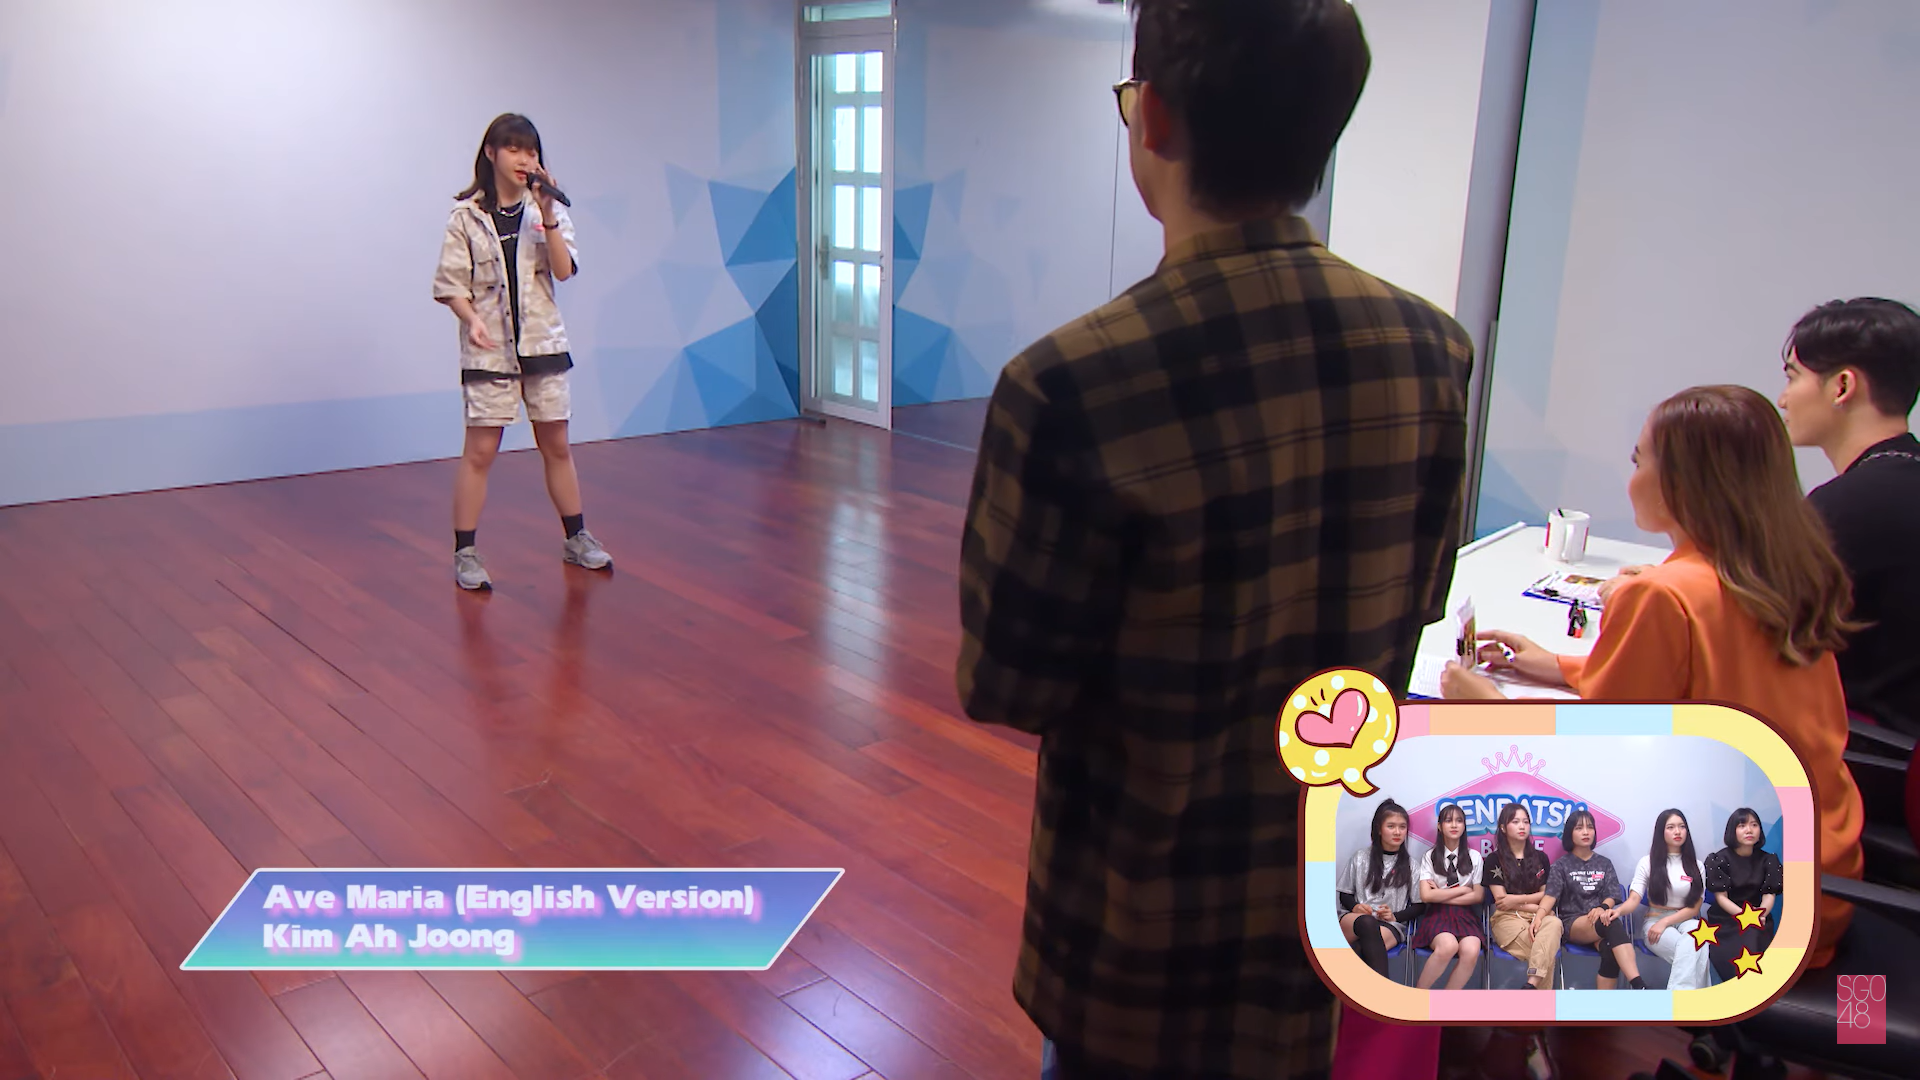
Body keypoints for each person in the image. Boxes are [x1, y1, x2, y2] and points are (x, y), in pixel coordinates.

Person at [953, 1, 1473, 1075]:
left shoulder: (1071, 384)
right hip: (1323, 908)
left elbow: (1007, 682)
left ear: (1155, 117)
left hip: (1134, 939)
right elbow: (1419, 603)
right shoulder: (1434, 352)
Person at [1441, 385, 1866, 969]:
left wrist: (1485, 701)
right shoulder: (1784, 571)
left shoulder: (1664, 594)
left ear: (1681, 482)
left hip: (1748, 912)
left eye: (1639, 460)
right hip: (1824, 872)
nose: (1631, 477)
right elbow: (1699, 681)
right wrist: (1558, 665)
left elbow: (1592, 763)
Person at [432, 112, 612, 590]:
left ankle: (576, 537)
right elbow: (451, 285)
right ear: (491, 153)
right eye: (513, 149)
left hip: (542, 344)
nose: (523, 159)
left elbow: (564, 270)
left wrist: (548, 213)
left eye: (530, 151)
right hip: (490, 351)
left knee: (556, 445)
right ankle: (465, 552)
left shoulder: (545, 210)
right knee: (480, 452)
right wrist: (471, 320)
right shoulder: (466, 216)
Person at [1777, 297, 1920, 735]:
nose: (1782, 399)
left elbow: (1754, 630)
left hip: (1863, 750)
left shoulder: (1841, 509)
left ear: (1842, 386)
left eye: (1793, 377)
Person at [1540, 810, 1645, 989]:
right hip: (1573, 923)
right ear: (1570, 833)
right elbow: (1551, 895)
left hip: (1602, 920)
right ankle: (1639, 985)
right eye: (1579, 828)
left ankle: (1603, 1004)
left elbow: (1612, 894)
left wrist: (1602, 907)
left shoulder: (1604, 863)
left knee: (1611, 950)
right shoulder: (1561, 865)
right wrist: (1539, 916)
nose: (1586, 832)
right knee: (1611, 922)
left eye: (1590, 827)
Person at [1618, 809, 1710, 990]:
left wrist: (1666, 922)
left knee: (1698, 937)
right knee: (1695, 950)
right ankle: (1697, 1001)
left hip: (1686, 919)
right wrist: (1618, 911)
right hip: (1654, 920)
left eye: (1682, 827)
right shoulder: (1648, 862)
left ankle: (1677, 1000)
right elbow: (1634, 898)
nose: (1677, 831)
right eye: (1671, 827)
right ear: (1661, 832)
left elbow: (1694, 908)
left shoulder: (1697, 865)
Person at [1336, 800, 1421, 979]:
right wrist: (1356, 907)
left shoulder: (1412, 866)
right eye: (1391, 826)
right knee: (1367, 923)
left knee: (1362, 948)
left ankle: (1363, 994)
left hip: (1390, 925)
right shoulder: (1360, 857)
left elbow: (1420, 906)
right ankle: (1383, 992)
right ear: (1379, 829)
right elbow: (1344, 894)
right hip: (1357, 920)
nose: (1397, 832)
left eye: (1402, 827)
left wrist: (1394, 916)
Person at [1484, 802, 1561, 990]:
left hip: (1539, 917)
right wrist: (1536, 905)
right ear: (1503, 828)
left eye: (1526, 822)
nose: (1522, 826)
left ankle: (1530, 986)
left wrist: (1517, 899)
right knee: (1545, 950)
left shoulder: (1540, 858)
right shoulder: (1494, 859)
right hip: (1507, 919)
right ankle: (1539, 1004)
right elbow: (1502, 902)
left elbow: (1546, 894)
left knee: (1555, 924)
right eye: (1516, 822)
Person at [1701, 807, 1783, 983]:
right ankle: (1743, 987)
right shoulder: (1719, 860)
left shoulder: (1769, 860)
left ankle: (1756, 988)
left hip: (1758, 916)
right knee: (1748, 937)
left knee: (1754, 933)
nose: (1749, 830)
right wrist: (1745, 917)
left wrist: (1759, 915)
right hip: (1726, 919)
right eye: (1742, 825)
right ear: (1733, 830)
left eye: (1754, 825)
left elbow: (1769, 895)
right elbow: (1721, 898)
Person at [1413, 803, 1485, 990]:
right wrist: (1463, 890)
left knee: (1471, 950)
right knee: (1448, 946)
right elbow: (1426, 896)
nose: (1454, 825)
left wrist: (1440, 893)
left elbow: (1478, 896)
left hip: (1466, 915)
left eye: (1459, 821)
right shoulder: (1429, 856)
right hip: (1437, 914)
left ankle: (1446, 1003)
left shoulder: (1475, 857)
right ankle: (1417, 998)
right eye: (1448, 820)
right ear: (1439, 826)